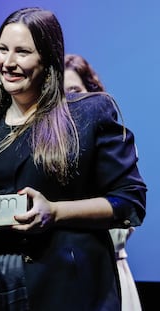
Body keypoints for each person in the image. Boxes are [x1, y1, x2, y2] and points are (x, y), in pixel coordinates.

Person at [0, 7, 146, 311]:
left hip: (68, 287)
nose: (8, 63)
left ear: (48, 59)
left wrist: (55, 212)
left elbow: (129, 203)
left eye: (22, 52)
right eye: (2, 50)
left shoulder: (87, 114)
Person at [64, 53, 142, 311]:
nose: (69, 100)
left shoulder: (113, 149)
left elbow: (128, 208)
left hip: (107, 274)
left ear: (92, 91)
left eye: (75, 90)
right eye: (60, 93)